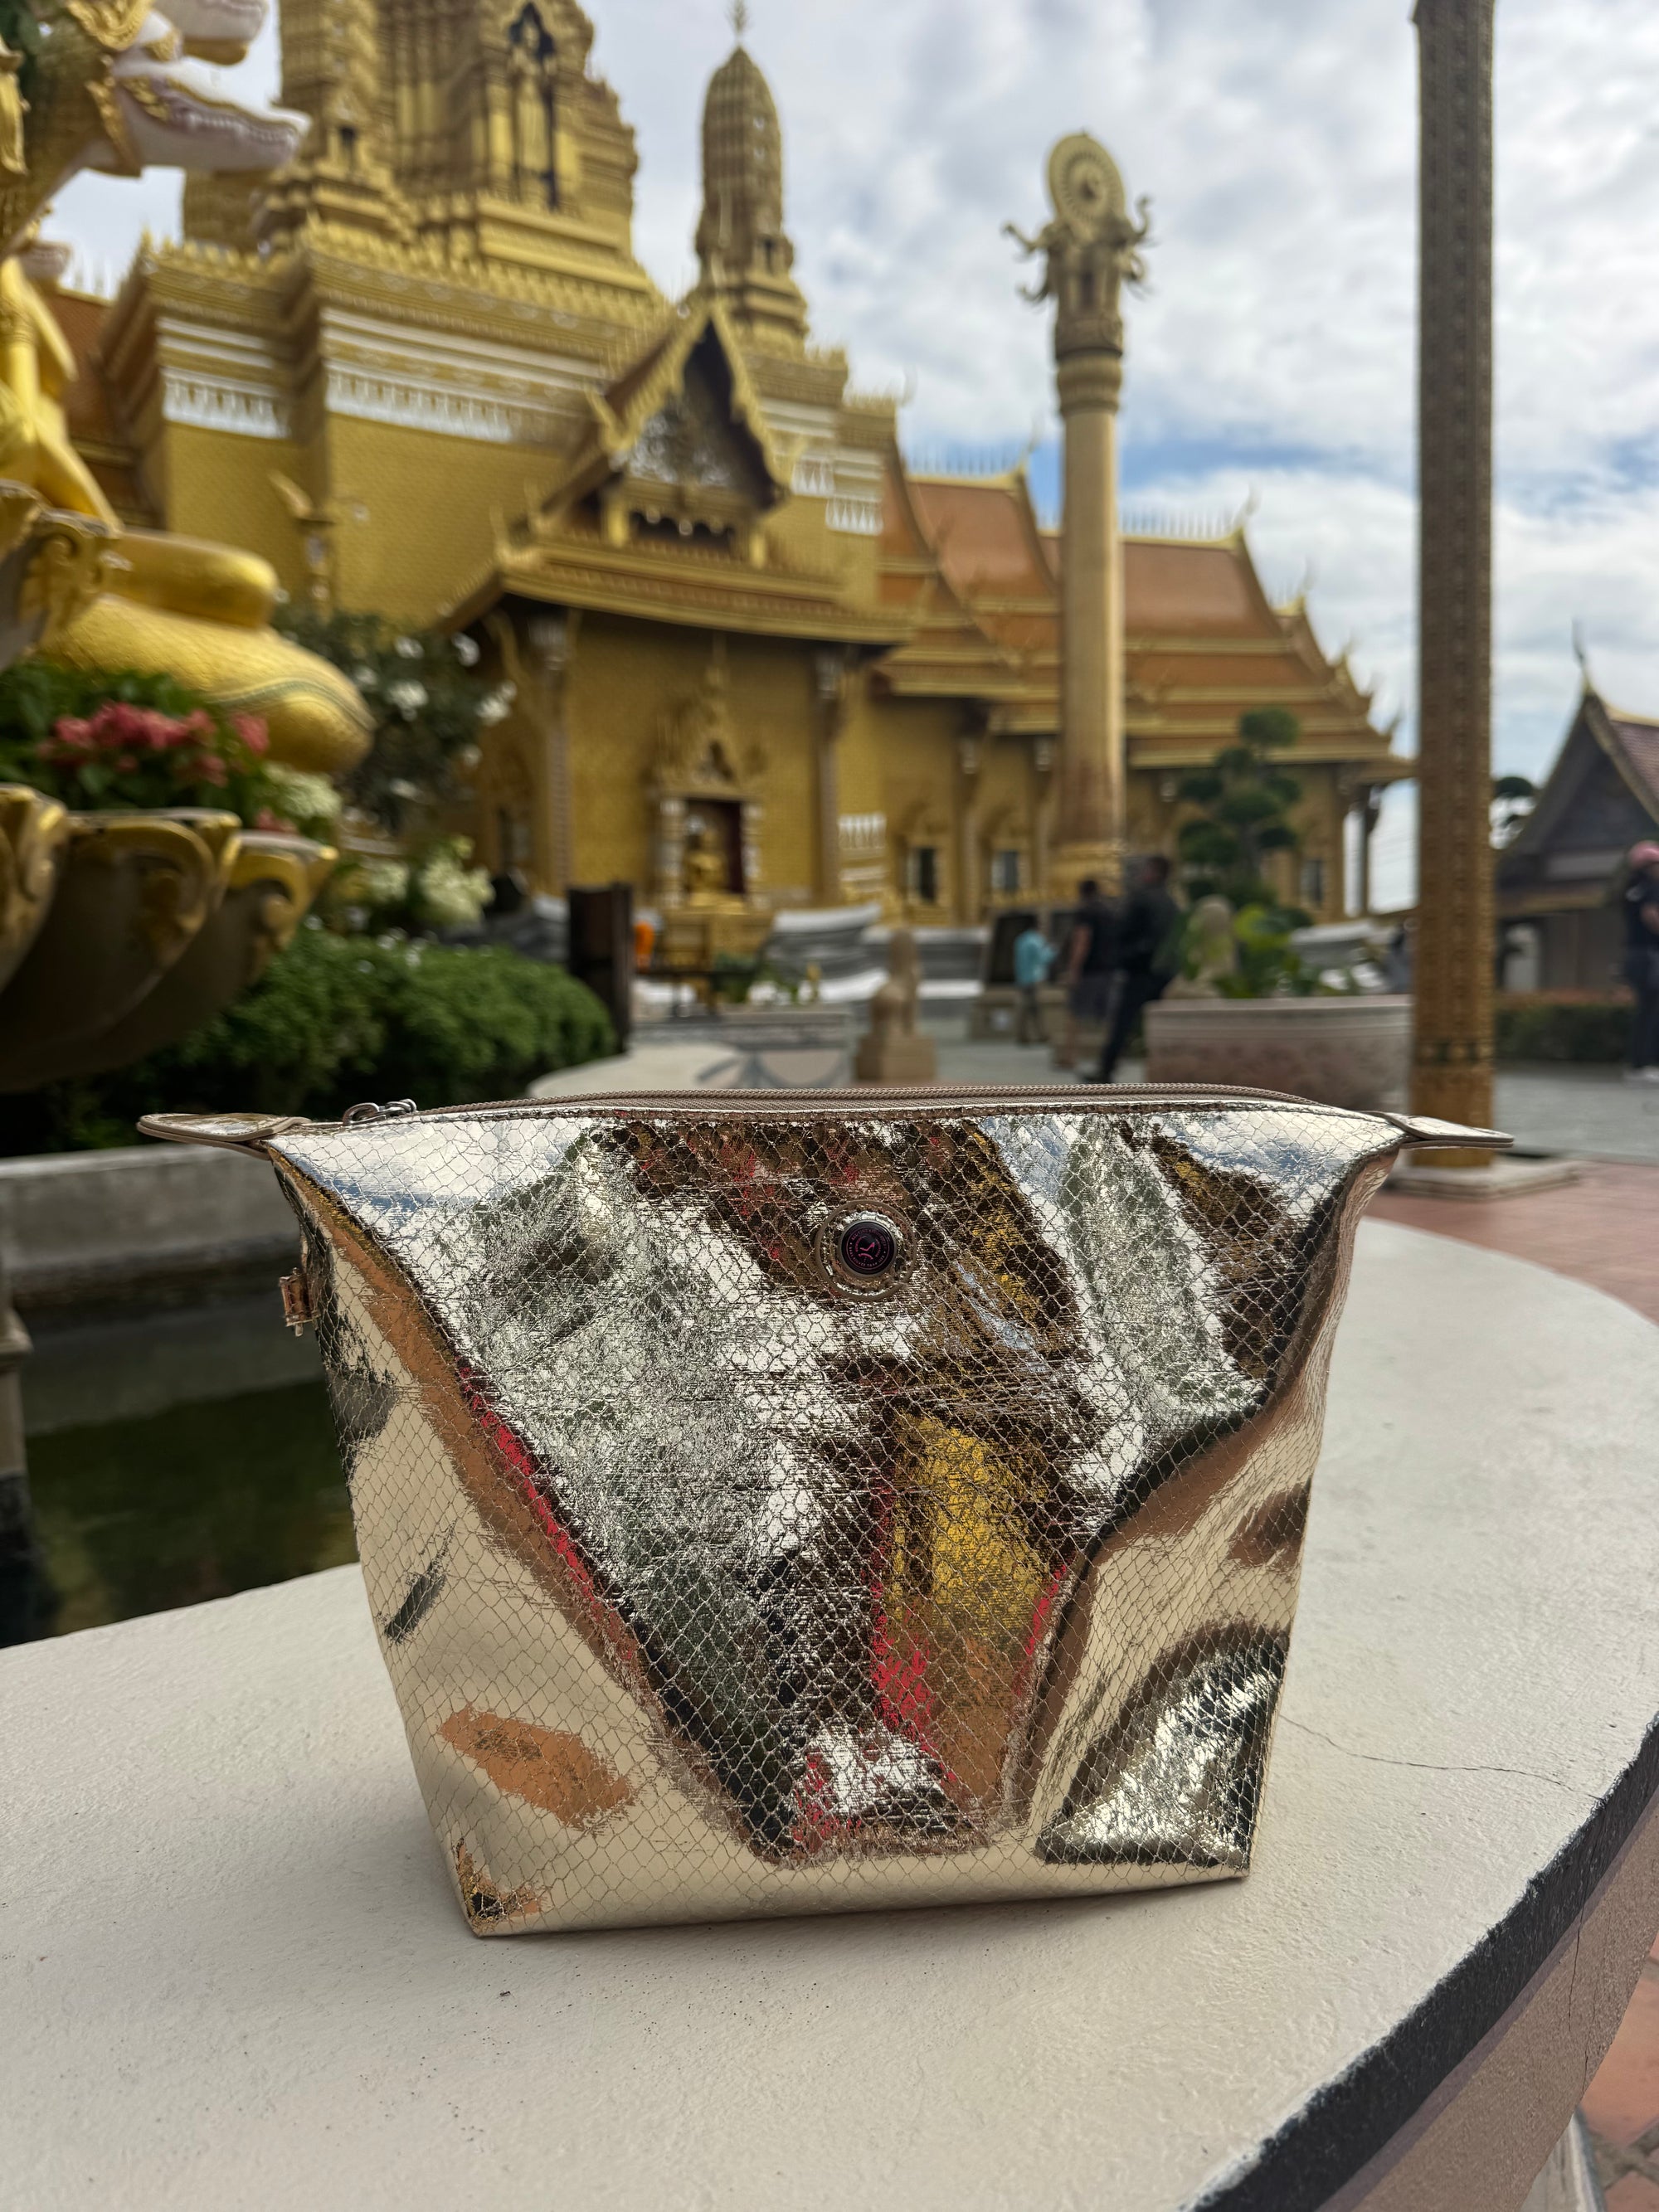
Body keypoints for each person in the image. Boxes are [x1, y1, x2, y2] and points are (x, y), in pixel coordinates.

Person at [1096, 855, 1183, 1084]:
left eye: (1144, 869)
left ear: (1154, 872)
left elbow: (1124, 931)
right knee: (1157, 1025)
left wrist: (1122, 957)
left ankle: (1106, 1069)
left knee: (1123, 1022)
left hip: (1139, 971)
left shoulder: (1142, 899)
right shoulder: (1170, 902)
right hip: (1164, 972)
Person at [1062, 879, 1117, 1068]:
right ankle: (1107, 1057)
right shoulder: (1109, 911)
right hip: (1108, 969)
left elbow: (1082, 941)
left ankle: (1070, 1056)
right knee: (1106, 1015)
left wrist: (1073, 969)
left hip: (1090, 970)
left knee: (1075, 1013)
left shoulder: (1085, 911)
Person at [1624, 842, 1659, 1083]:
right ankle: (1644, 1065)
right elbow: (1651, 914)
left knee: (1644, 1010)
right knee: (1652, 1011)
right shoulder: (1651, 887)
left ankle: (1636, 1064)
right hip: (1650, 955)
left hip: (1634, 955)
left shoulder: (1629, 889)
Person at [1012, 916, 1055, 1045]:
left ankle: (1023, 1034)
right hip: (1034, 978)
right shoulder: (1036, 940)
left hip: (1022, 978)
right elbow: (1043, 959)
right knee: (1036, 1008)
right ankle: (1042, 1035)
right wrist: (1053, 950)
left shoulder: (1020, 940)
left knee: (1025, 1007)